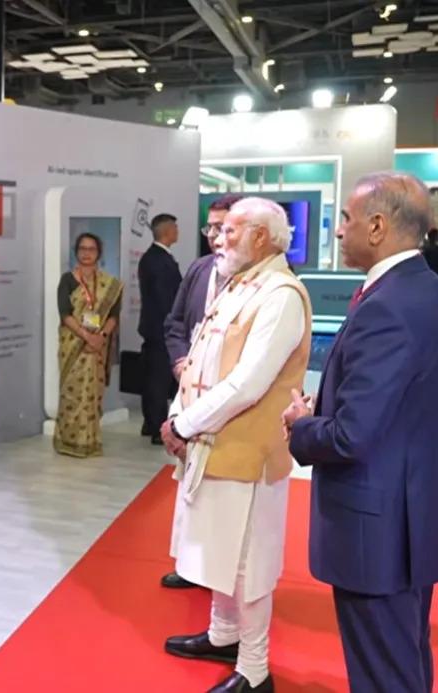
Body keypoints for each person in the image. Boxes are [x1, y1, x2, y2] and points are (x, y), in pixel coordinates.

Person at [284, 172, 438, 693]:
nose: (338, 229)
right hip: (411, 516)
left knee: (384, 674)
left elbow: (352, 435)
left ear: (377, 226)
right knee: (404, 661)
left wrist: (303, 427)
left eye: (346, 218)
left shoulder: (388, 305)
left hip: (377, 528)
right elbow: (399, 405)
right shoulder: (433, 296)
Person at [160, 197, 312, 693]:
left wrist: (185, 425)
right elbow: (200, 360)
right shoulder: (241, 283)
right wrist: (179, 417)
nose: (218, 239)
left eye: (230, 231)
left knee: (249, 564)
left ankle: (254, 669)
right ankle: (222, 635)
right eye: (219, 230)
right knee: (220, 552)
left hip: (249, 452)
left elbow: (248, 383)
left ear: (261, 237)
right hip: (215, 443)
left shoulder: (281, 295)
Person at [160, 193, 242, 590]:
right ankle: (190, 564)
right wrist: (181, 363)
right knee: (188, 483)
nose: (213, 235)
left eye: (223, 227)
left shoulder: (261, 279)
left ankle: (221, 570)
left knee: (223, 490)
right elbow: (175, 324)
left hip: (233, 401)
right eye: (210, 226)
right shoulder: (198, 269)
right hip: (191, 390)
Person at [54, 233, 123, 458]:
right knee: (71, 393)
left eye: (91, 249)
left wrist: (101, 336)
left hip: (97, 347)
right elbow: (65, 314)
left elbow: (113, 316)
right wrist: (87, 336)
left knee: (93, 394)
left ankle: (91, 441)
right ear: (76, 252)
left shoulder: (110, 285)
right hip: (73, 346)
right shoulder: (67, 280)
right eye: (82, 249)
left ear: (98, 253)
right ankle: (67, 441)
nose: (86, 253)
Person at [138, 213, 182, 444]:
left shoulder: (156, 258)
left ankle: (150, 422)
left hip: (155, 328)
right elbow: (166, 299)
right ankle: (157, 427)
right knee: (158, 380)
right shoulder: (157, 260)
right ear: (167, 231)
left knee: (153, 378)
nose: (178, 232)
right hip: (160, 330)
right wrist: (174, 326)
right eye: (175, 228)